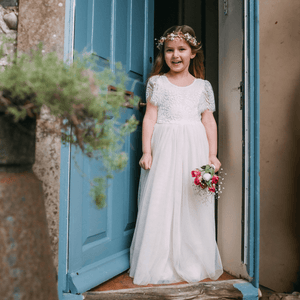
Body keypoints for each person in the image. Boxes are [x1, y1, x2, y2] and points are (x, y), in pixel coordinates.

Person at [129, 25, 223, 285]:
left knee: (192, 201)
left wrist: (212, 156)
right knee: (162, 197)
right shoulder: (156, 83)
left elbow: (209, 121)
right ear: (163, 54)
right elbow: (149, 117)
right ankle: (160, 260)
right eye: (169, 50)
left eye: (182, 49)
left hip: (194, 147)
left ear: (193, 53)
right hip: (166, 147)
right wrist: (147, 150)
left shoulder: (203, 86)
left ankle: (191, 259)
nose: (175, 55)